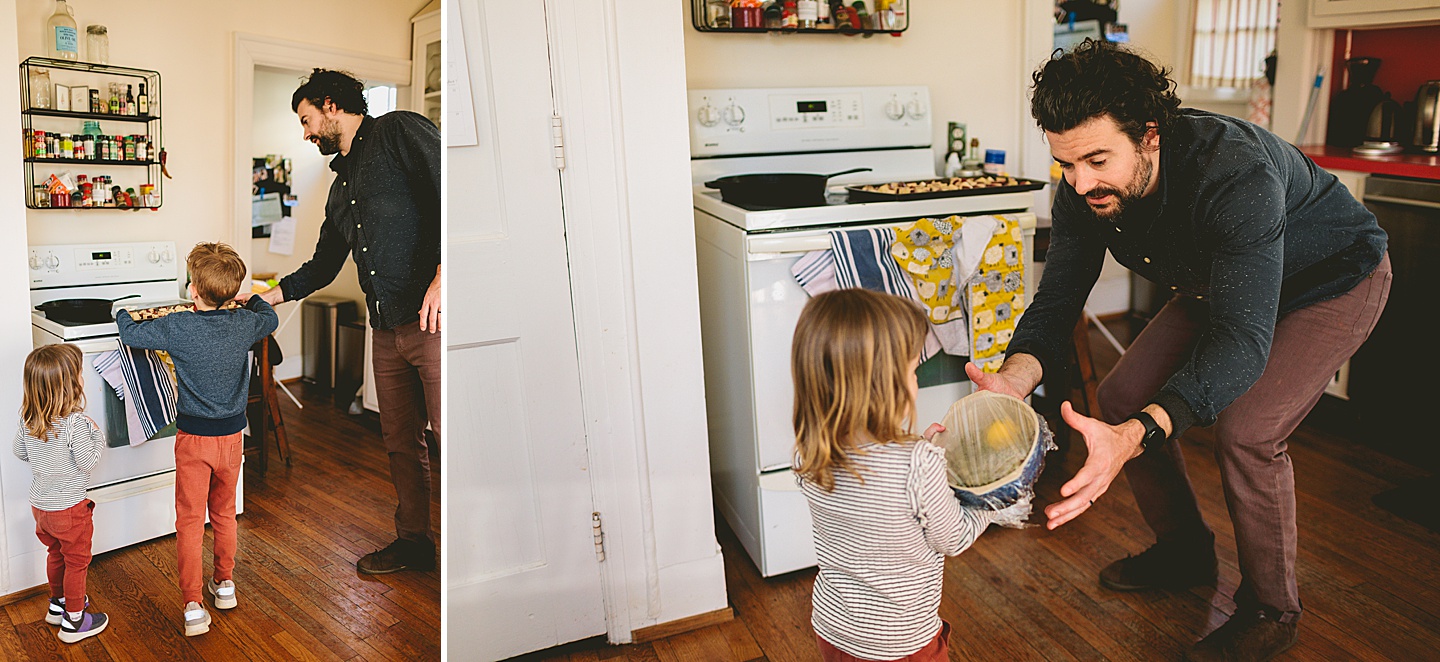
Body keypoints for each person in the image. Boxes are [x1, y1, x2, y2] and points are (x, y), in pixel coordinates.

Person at [966, 39, 1390, 661]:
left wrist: (1136, 436)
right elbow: (1058, 303)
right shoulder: (1084, 185)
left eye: (1096, 158)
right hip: (1222, 278)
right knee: (1120, 395)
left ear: (1150, 136)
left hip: (1330, 278)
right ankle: (1185, 549)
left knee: (1248, 430)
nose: (1081, 181)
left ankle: (1272, 610)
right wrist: (1015, 379)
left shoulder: (1233, 171)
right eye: (1066, 163)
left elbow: (1242, 342)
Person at [259, 68, 441, 575]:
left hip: (434, 319)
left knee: (454, 435)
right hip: (386, 329)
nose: (306, 132)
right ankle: (414, 544)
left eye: (306, 119)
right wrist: (266, 297)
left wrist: (446, 273)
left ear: (330, 104)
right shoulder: (341, 190)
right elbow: (322, 263)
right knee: (401, 441)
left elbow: (455, 187)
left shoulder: (399, 132)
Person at [792, 289, 1013, 662]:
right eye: (913, 370)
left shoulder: (810, 450)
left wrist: (920, 452)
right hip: (900, 641)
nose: (916, 380)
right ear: (885, 383)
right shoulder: (918, 464)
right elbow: (954, 538)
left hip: (833, 627)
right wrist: (994, 496)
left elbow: (877, 492)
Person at [117, 243, 279, 636]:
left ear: (192, 289)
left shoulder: (178, 326)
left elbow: (129, 332)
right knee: (224, 514)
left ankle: (192, 605)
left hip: (193, 441)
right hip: (232, 439)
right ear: (231, 290)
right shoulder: (245, 323)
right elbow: (269, 316)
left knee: (190, 521)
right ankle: (225, 585)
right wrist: (250, 298)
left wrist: (121, 309)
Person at [13, 344, 109, 643]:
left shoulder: (28, 419)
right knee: (77, 562)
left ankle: (57, 604)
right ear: (71, 384)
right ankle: (76, 621)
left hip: (41, 507)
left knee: (55, 554)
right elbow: (88, 462)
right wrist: (97, 436)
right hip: (70, 509)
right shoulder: (76, 424)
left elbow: (20, 453)